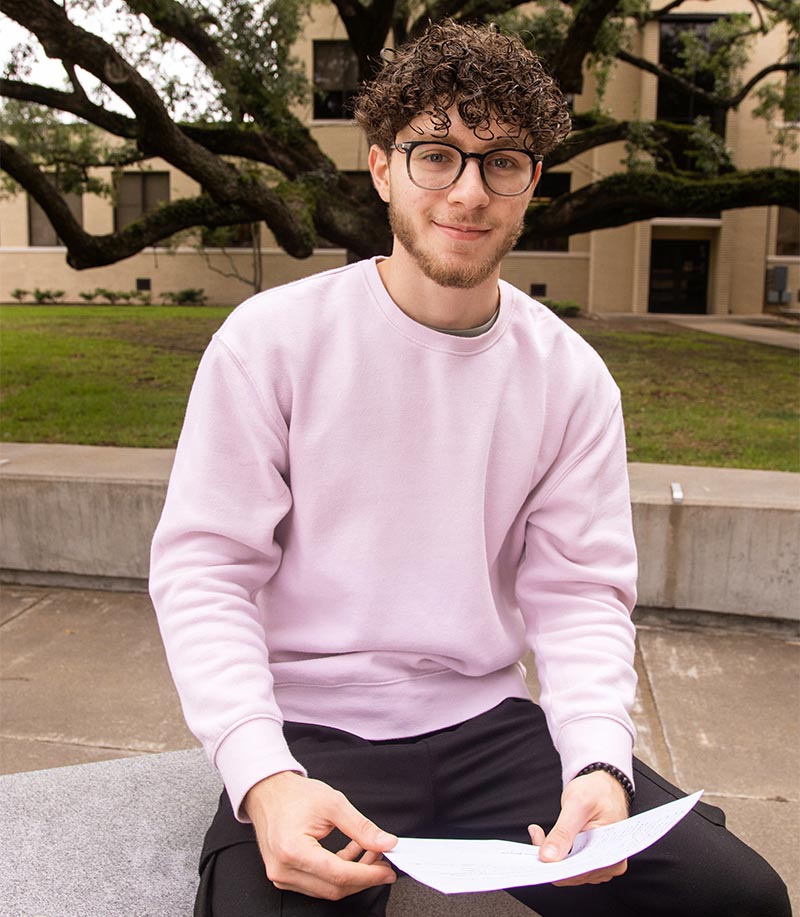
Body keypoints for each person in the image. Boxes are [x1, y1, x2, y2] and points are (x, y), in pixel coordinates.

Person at [149, 19, 791, 917]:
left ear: (533, 183)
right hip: (312, 731)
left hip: (491, 730)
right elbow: (205, 570)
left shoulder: (569, 378)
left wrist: (599, 761)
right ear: (382, 167)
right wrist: (262, 775)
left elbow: (580, 594)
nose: (468, 191)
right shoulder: (271, 342)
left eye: (502, 162)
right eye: (437, 155)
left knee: (739, 900)